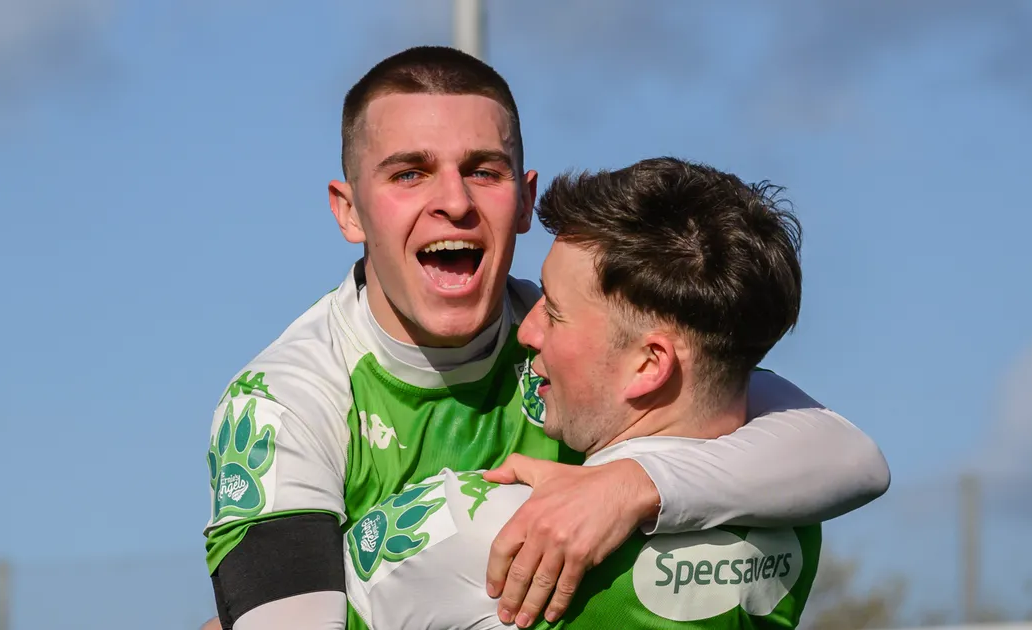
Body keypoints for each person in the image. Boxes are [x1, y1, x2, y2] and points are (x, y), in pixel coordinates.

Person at [202, 46, 889, 630]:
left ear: (526, 199)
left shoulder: (585, 339)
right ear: (348, 210)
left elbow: (844, 452)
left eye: (483, 169)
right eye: (409, 173)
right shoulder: (282, 403)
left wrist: (630, 487)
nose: (455, 201)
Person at [340, 156, 825, 629]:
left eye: (553, 310)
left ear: (649, 364)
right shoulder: (797, 522)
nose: (527, 331)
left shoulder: (470, 522)